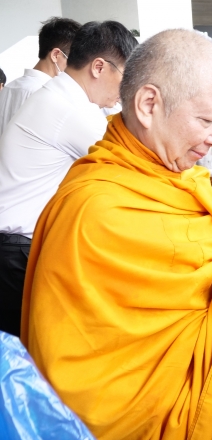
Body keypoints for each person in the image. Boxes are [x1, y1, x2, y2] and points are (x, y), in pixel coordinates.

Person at [20, 29, 212, 440]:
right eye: (206, 121)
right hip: (178, 429)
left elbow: (206, 276)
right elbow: (79, 382)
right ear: (148, 104)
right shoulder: (92, 212)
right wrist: (205, 400)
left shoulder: (183, 178)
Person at [0, 20, 137, 337]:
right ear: (99, 67)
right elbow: (131, 165)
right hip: (16, 251)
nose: (124, 92)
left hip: (14, 246)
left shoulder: (59, 96)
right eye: (126, 78)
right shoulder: (70, 109)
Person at [0, 17, 81, 137]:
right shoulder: (46, 92)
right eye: (75, 59)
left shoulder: (9, 87)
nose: (77, 66)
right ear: (56, 55)